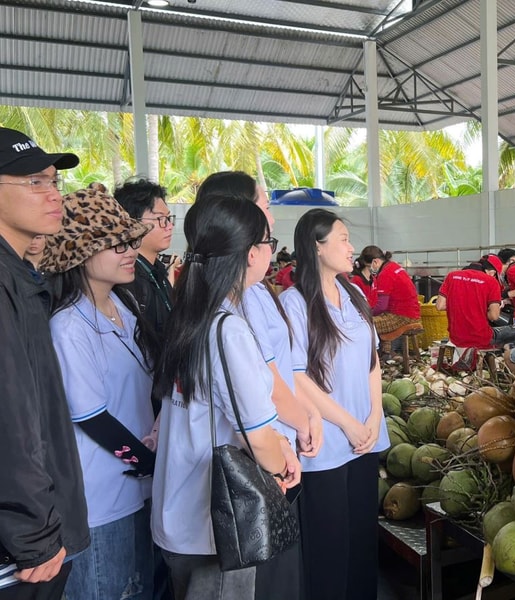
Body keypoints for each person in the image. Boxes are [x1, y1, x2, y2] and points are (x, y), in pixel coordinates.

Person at [150, 195, 301, 600]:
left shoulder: (191, 314)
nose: (271, 250)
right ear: (251, 253)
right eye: (268, 241)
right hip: (216, 526)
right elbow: (258, 438)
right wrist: (282, 462)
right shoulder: (227, 329)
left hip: (178, 514)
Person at [193, 171, 321, 600]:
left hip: (235, 487)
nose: (270, 218)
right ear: (247, 248)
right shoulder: (229, 321)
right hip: (246, 489)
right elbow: (256, 414)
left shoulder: (203, 309)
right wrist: (283, 454)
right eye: (263, 206)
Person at [42, 188, 157, 600]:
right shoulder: (70, 326)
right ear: (80, 255)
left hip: (138, 491)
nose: (130, 250)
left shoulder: (123, 307)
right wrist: (146, 462)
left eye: (130, 240)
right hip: (103, 500)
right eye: (116, 244)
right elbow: (93, 419)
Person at [280, 209, 388, 600]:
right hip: (327, 445)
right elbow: (295, 378)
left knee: (362, 539)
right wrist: (348, 424)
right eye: (342, 238)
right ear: (316, 246)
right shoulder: (294, 303)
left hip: (366, 436)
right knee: (329, 546)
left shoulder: (355, 295)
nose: (351, 247)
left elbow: (372, 361)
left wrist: (374, 415)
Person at [0, 127, 89, 599]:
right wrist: (34, 534)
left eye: (55, 181)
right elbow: (10, 421)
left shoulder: (20, 276)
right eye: (35, 182)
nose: (55, 195)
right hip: (21, 550)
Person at [114, 178, 176, 341]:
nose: (169, 226)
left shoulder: (157, 269)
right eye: (161, 219)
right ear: (132, 223)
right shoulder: (129, 277)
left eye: (169, 218)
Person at [437, 256, 515, 354]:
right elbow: (494, 316)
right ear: (492, 272)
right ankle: (511, 360)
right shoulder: (491, 282)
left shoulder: (451, 276)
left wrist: (463, 306)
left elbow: (440, 306)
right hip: (481, 339)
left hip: (456, 337)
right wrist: (481, 309)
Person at [363, 246, 421, 337]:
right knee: (378, 319)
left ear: (375, 261)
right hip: (411, 313)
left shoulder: (385, 274)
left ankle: (376, 351)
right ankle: (385, 351)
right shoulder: (394, 266)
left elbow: (381, 306)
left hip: (402, 316)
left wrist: (365, 314)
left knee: (362, 325)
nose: (369, 269)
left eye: (368, 266)